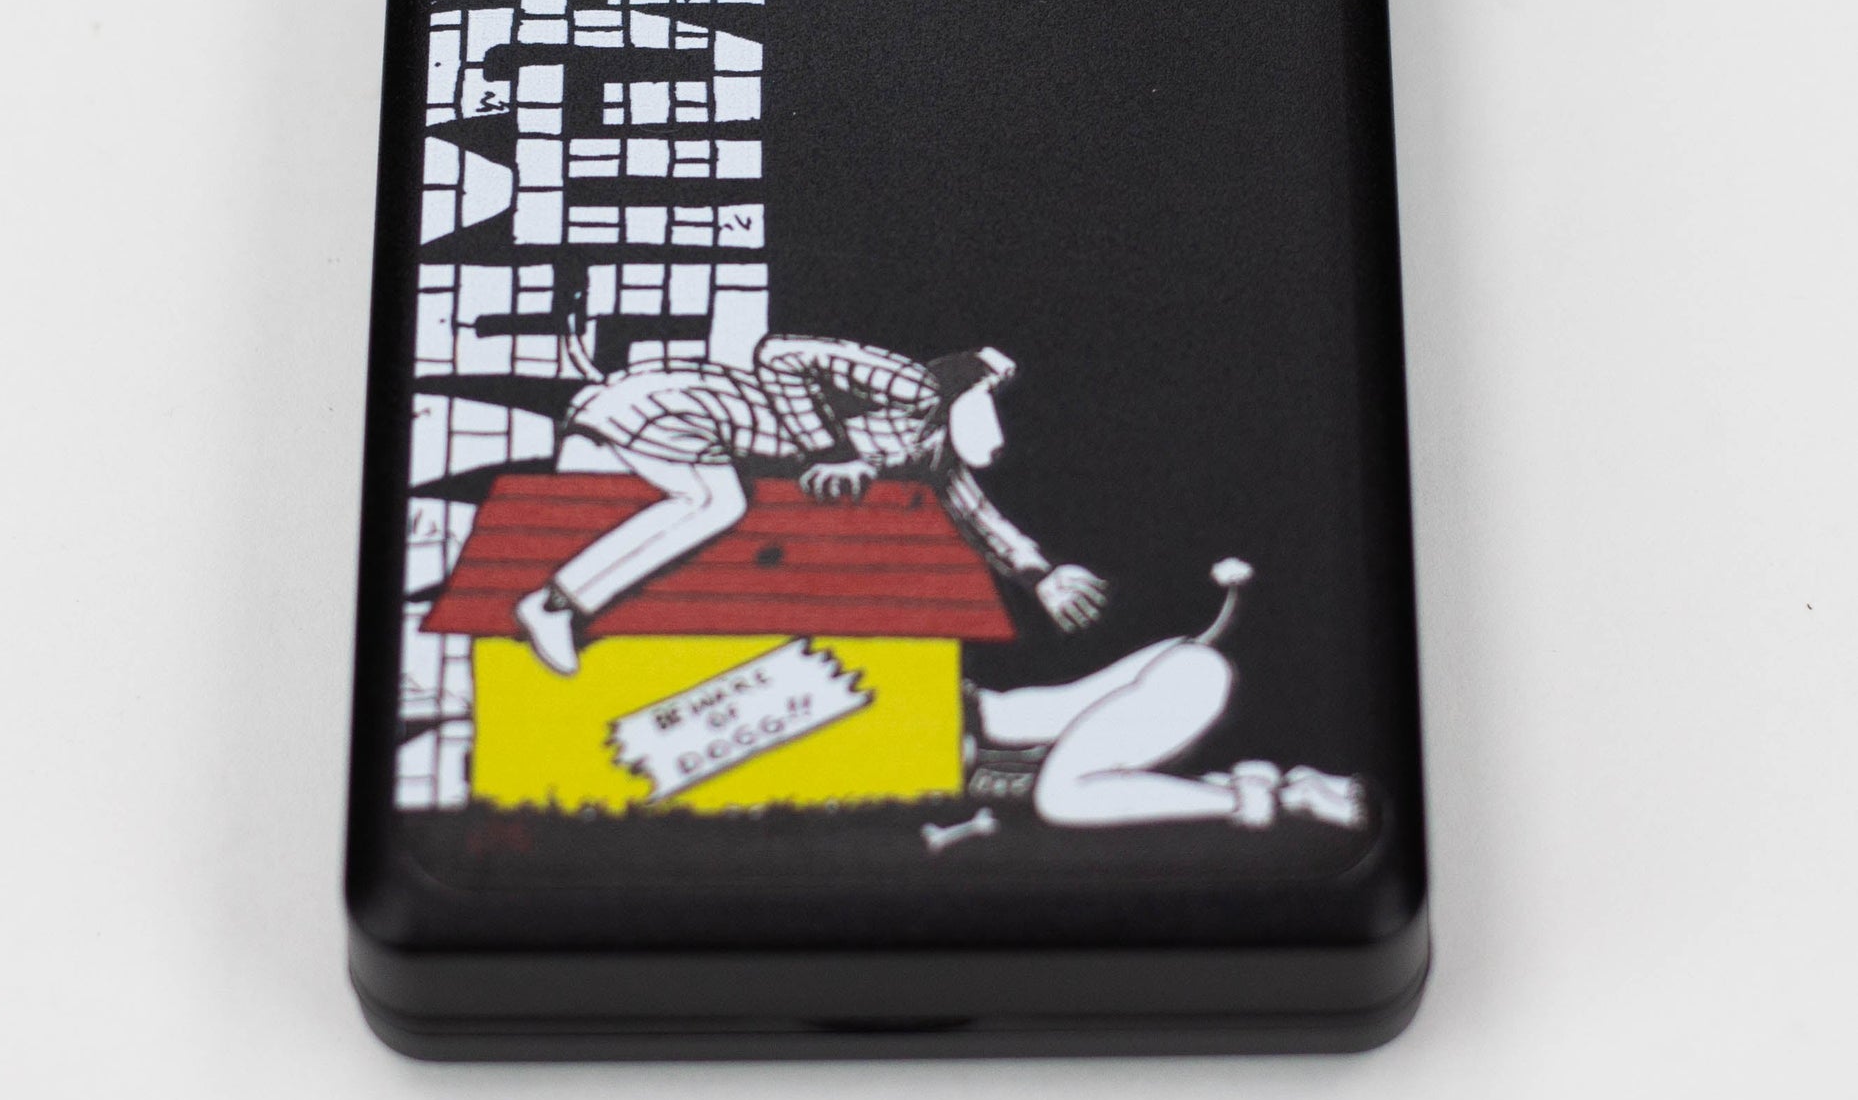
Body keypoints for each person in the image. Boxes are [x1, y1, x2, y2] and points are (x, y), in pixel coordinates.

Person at [515, 333, 1110, 674]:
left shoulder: (934, 454)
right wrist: (833, 451)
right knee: (713, 505)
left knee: (712, 505)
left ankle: (558, 604)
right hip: (673, 408)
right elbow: (780, 353)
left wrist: (1040, 576)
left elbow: (980, 519)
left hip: (687, 436)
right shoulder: (913, 385)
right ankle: (555, 604)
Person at [965, 561, 1368, 829]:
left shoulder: (939, 711)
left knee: (1059, 797)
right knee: (1061, 790)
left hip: (1184, 680)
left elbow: (1024, 719)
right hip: (1180, 673)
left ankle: (1281, 801)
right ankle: (1291, 789)